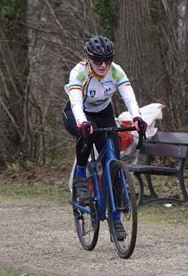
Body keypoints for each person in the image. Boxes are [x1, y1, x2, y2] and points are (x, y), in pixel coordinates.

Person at [63, 35, 146, 239]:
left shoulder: (116, 71)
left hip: (104, 113)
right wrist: (82, 122)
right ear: (88, 58)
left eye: (107, 60)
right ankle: (81, 176)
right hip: (78, 112)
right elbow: (75, 102)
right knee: (87, 135)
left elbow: (128, 96)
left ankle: (115, 219)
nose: (103, 65)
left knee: (113, 162)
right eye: (98, 60)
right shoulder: (79, 73)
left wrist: (137, 117)